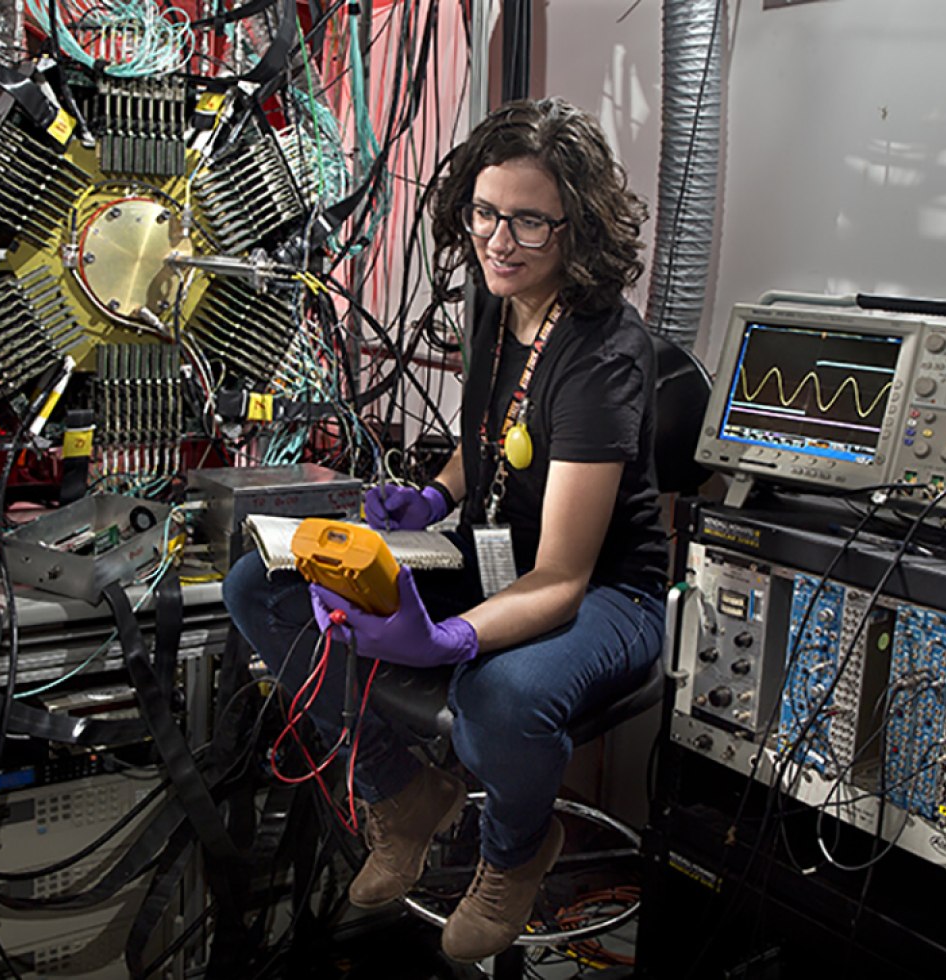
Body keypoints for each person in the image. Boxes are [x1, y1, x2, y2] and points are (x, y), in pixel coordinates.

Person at [223, 97, 667, 964]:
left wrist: (448, 637)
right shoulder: (498, 300)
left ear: (579, 226)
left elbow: (564, 578)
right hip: (498, 553)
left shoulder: (604, 352)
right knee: (259, 588)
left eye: (530, 222)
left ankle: (517, 850)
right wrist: (432, 497)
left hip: (604, 592)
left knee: (493, 695)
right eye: (485, 213)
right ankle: (402, 795)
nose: (499, 241)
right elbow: (501, 445)